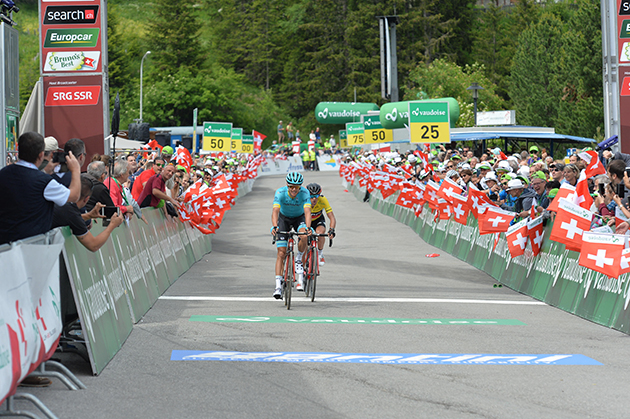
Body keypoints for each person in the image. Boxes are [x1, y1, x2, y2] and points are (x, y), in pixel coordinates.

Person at [0, 132, 81, 245]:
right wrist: (76, 170)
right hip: (32, 247)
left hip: (4, 247)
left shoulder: (3, 174)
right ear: (41, 155)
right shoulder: (44, 182)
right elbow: (74, 196)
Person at [52, 176, 124, 252]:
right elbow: (93, 245)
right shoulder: (72, 212)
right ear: (86, 199)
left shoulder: (59, 201)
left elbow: (66, 218)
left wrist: (89, 215)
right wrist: (112, 225)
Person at [271, 172, 312, 298]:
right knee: (281, 253)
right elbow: (275, 210)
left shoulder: (305, 193)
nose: (294, 189)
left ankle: (299, 259)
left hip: (299, 218)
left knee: (304, 235)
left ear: (300, 186)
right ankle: (278, 286)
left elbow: (307, 211)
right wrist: (275, 226)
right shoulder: (280, 192)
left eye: (297, 187)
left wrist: (309, 228)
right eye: (291, 187)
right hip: (284, 219)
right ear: (287, 185)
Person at [306, 183, 336, 266]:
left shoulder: (323, 200)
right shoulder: (303, 200)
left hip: (318, 220)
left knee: (320, 232)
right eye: (311, 196)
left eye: (317, 196)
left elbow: (332, 217)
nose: (314, 199)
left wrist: (331, 230)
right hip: (305, 220)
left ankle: (320, 254)